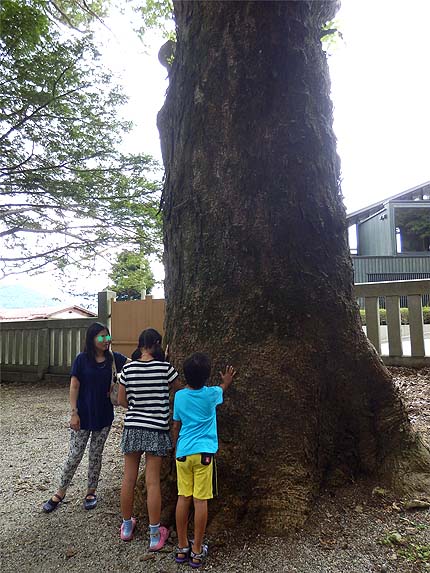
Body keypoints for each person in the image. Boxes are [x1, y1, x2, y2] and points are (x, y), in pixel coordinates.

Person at [42, 322, 128, 513]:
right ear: (92, 339)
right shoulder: (81, 359)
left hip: (104, 416)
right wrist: (74, 413)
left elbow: (136, 365)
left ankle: (91, 491)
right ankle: (60, 492)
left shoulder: (114, 358)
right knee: (74, 455)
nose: (106, 340)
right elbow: (74, 386)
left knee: (96, 455)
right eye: (102, 337)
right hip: (82, 416)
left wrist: (156, 358)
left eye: (108, 336)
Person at [172, 352, 236, 568]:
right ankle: (197, 550)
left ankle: (182, 547)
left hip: (183, 452)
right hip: (204, 455)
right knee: (200, 501)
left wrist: (175, 447)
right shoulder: (211, 394)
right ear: (207, 376)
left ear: (185, 375)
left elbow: (176, 425)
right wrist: (226, 381)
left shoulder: (180, 396)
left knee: (183, 498)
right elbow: (222, 388)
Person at [118, 328, 181, 549]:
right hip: (157, 428)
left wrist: (137, 406)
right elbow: (180, 391)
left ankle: (126, 527)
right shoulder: (165, 368)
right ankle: (155, 535)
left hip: (133, 427)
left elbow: (121, 400)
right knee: (153, 481)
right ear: (156, 344)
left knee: (129, 478)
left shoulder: (128, 368)